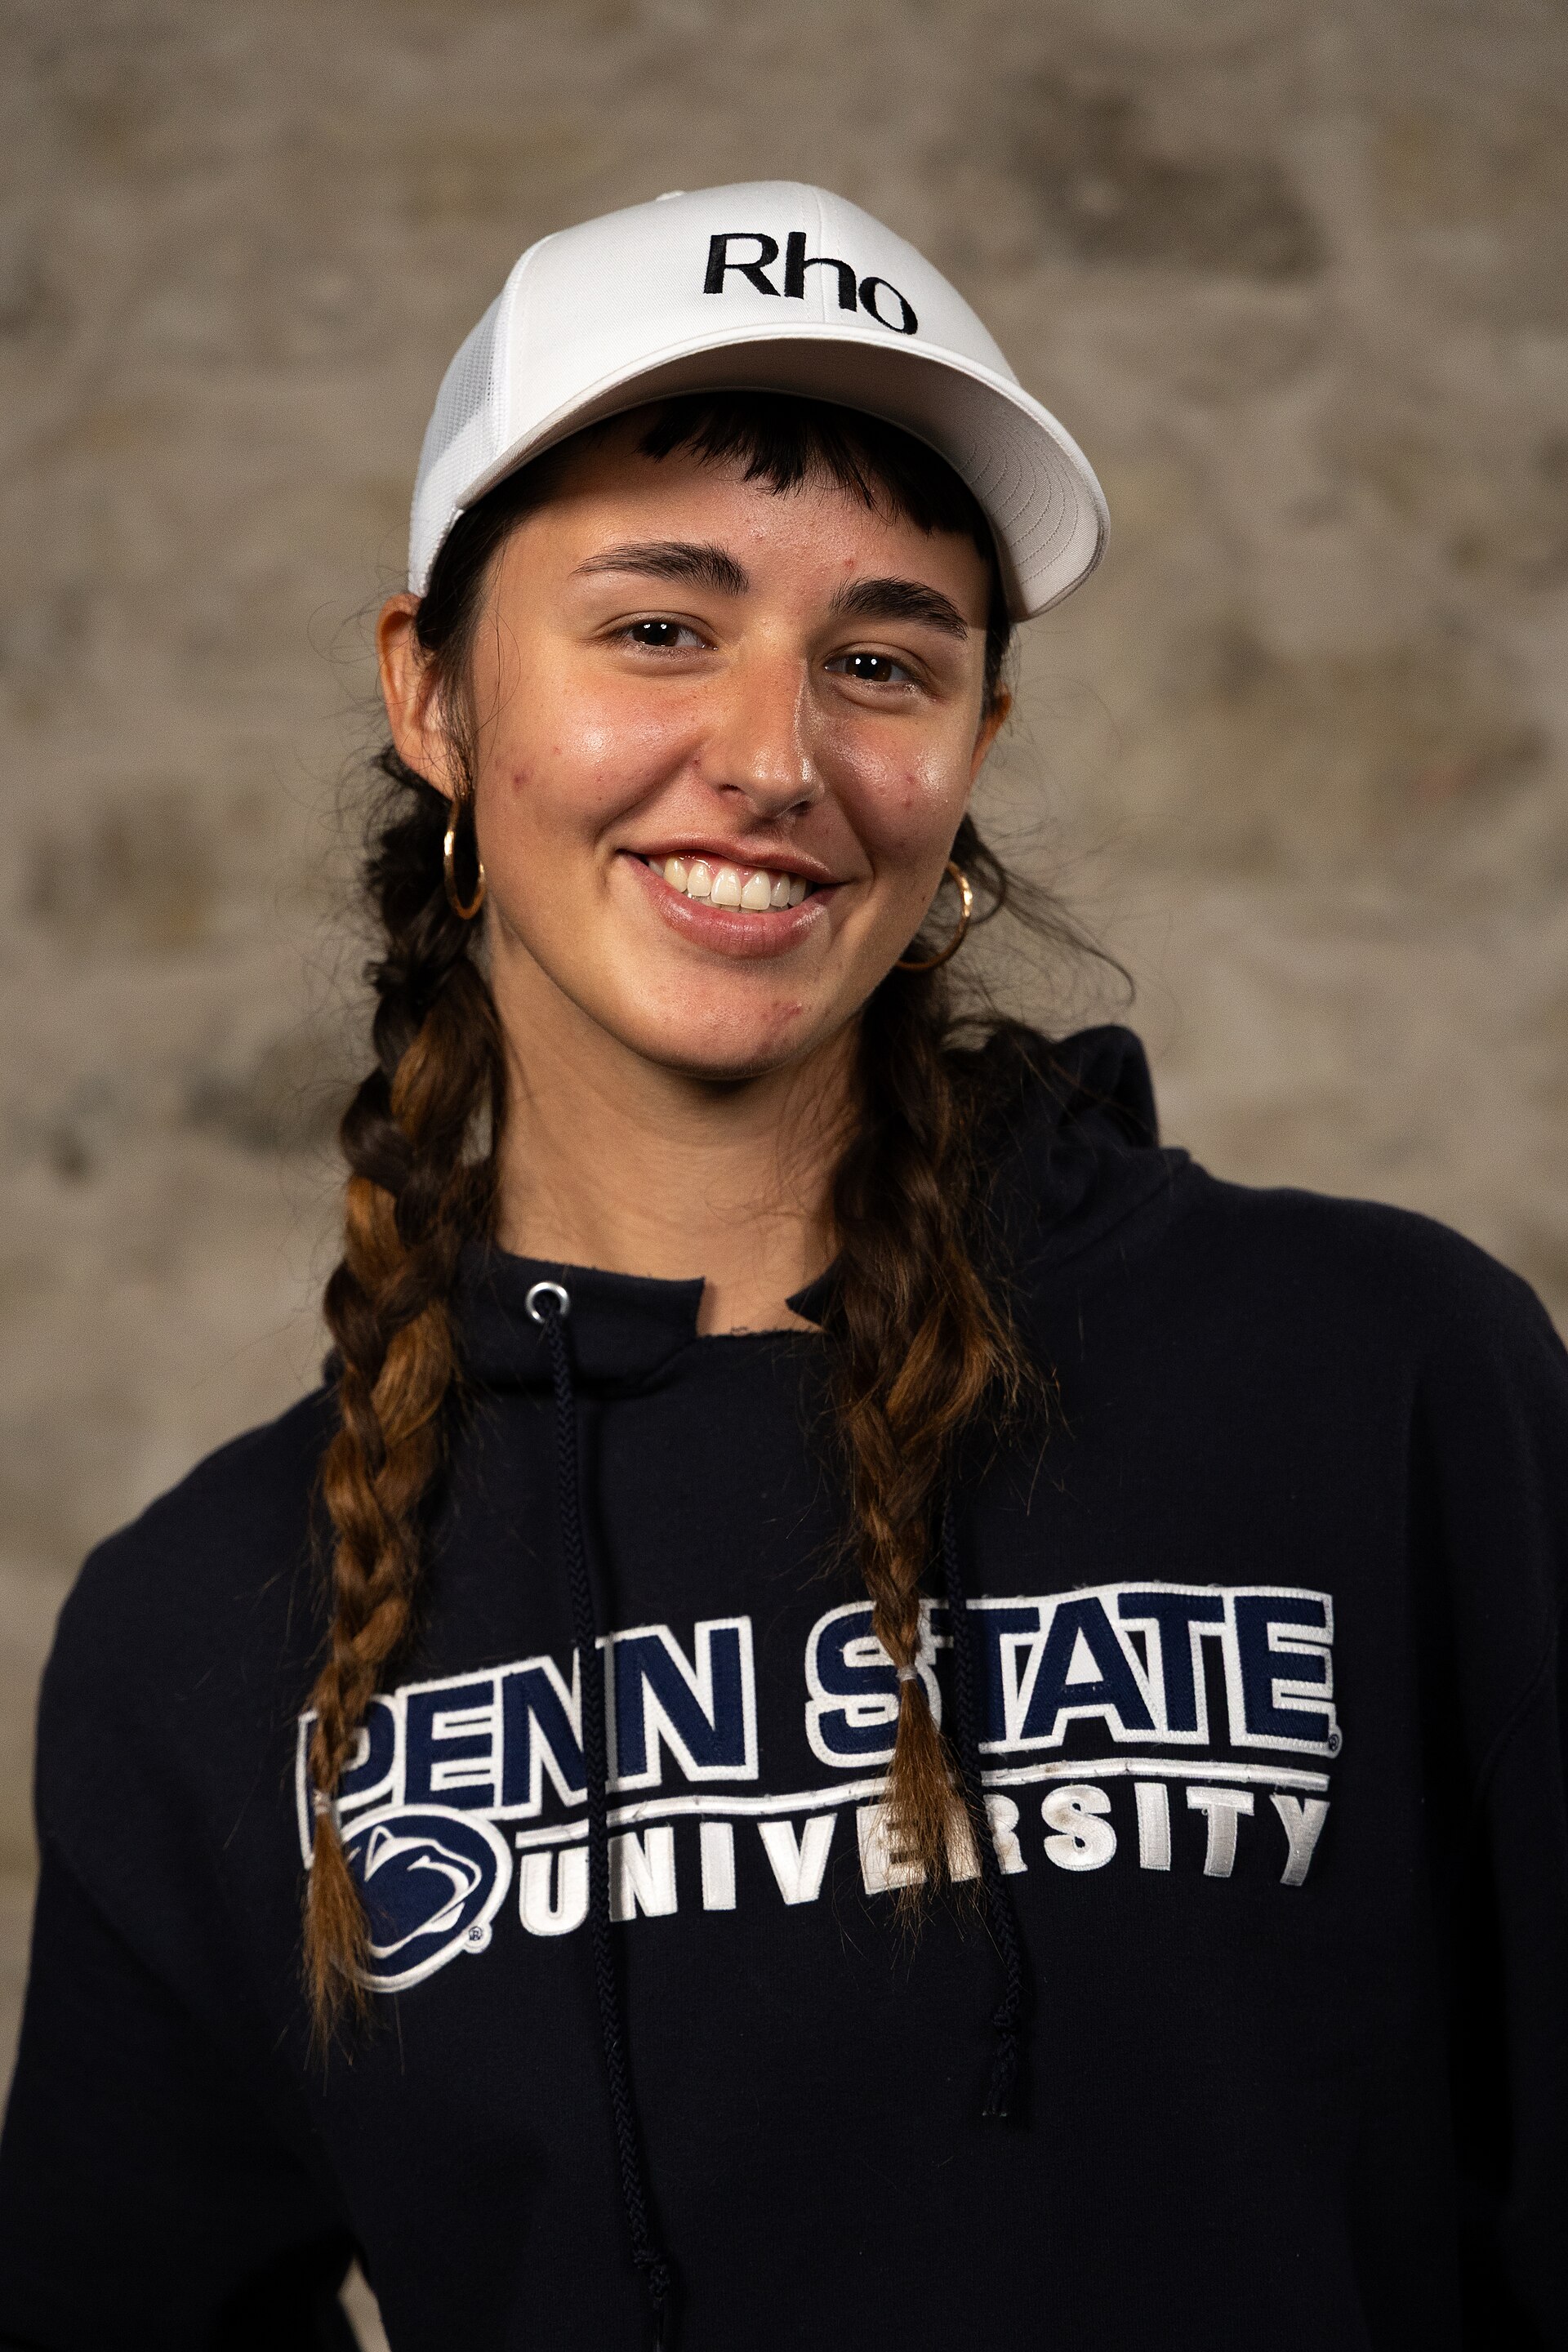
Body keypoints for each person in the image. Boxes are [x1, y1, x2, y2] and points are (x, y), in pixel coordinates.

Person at [0, 180, 1562, 2352]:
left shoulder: (1382, 1379)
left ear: (973, 750)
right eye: (660, 627)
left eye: (882, 661)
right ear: (433, 693)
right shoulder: (206, 1632)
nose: (772, 759)